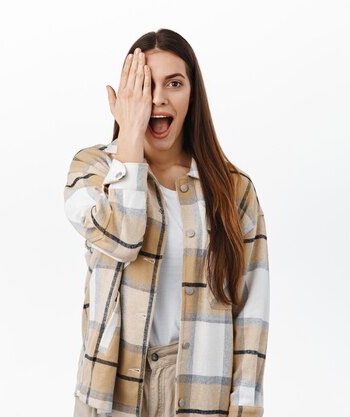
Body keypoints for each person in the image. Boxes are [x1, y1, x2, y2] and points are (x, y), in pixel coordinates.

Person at [64, 28, 270, 417]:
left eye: (174, 83)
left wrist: (246, 408)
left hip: (203, 388)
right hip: (114, 388)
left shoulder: (234, 189)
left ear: (193, 93)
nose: (157, 98)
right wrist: (130, 137)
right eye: (144, 84)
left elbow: (252, 311)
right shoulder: (91, 171)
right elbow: (122, 240)